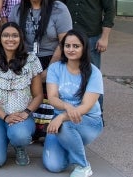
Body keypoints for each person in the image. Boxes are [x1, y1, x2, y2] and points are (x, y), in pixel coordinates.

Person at [9, 0, 73, 139]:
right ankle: (29, 128)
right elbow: (11, 39)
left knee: (49, 95)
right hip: (25, 59)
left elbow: (64, 42)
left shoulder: (58, 9)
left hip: (52, 58)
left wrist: (49, 70)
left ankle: (49, 130)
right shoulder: (18, 10)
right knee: (27, 95)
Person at [57, 0, 114, 113]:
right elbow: (59, 7)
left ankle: (96, 112)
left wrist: (105, 37)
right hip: (68, 37)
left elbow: (109, 10)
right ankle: (70, 108)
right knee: (67, 73)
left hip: (92, 36)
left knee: (92, 73)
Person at [0, 22, 43, 168]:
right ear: (0, 39)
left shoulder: (31, 60)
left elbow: (38, 95)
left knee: (19, 135)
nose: (10, 39)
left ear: (20, 38)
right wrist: (5, 117)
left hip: (21, 116)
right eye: (6, 35)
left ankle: (19, 146)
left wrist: (26, 113)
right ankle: (2, 137)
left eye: (14, 36)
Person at [42, 30, 104, 177]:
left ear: (84, 48)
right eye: (67, 45)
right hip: (60, 122)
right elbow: (53, 97)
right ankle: (71, 146)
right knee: (54, 166)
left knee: (65, 126)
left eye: (76, 46)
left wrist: (62, 117)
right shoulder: (55, 68)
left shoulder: (94, 73)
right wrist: (67, 107)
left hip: (88, 121)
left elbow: (86, 106)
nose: (71, 49)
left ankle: (83, 166)